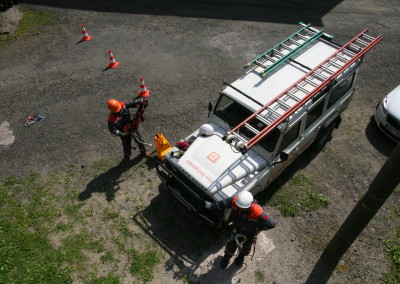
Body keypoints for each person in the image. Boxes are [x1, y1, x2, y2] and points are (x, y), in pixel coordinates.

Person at [205, 191, 276, 269]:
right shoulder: (234, 201)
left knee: (246, 247)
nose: (240, 208)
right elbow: (221, 204)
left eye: (243, 208)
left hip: (249, 233)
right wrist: (210, 206)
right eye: (239, 206)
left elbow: (272, 224)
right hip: (237, 229)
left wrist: (257, 229)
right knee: (231, 246)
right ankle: (226, 258)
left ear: (249, 205)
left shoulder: (258, 212)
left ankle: (241, 257)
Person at [107, 96, 150, 161]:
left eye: (120, 108)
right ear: (112, 110)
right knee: (127, 146)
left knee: (140, 140)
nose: (120, 110)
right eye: (118, 110)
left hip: (131, 125)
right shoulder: (111, 119)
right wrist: (122, 134)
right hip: (124, 131)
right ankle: (127, 157)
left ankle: (143, 152)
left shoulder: (122, 105)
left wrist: (141, 101)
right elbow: (112, 130)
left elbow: (132, 103)